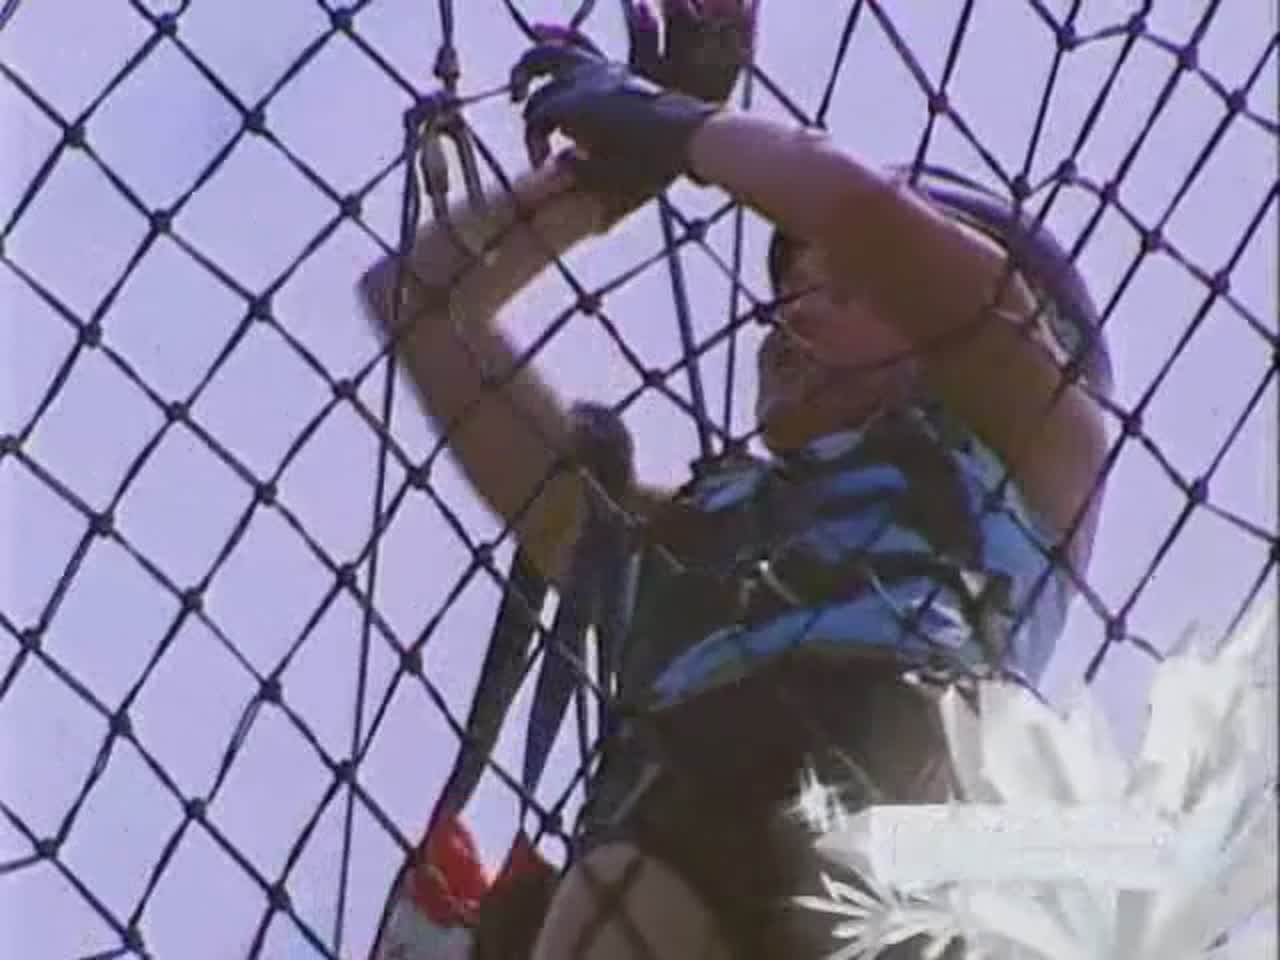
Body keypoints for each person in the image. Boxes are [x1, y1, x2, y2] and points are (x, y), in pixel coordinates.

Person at [360, 2, 1112, 956]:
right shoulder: (675, 548)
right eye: (783, 292)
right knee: (613, 887)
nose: (786, 317)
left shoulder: (1029, 457)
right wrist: (599, 183)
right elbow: (420, 304)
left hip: (908, 804)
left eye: (842, 288)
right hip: (675, 831)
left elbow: (893, 236)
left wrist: (683, 127)